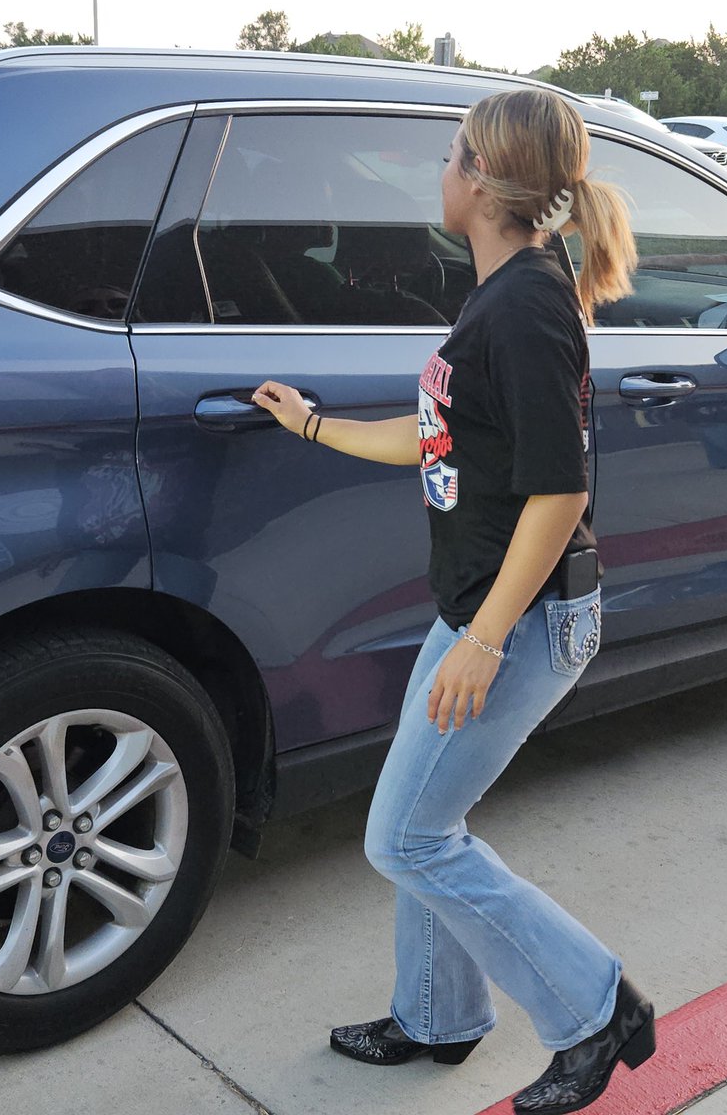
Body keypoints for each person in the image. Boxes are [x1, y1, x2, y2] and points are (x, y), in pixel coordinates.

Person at [251, 88, 655, 1115]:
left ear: (480, 180)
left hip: (519, 619)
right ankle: (438, 1015)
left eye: (449, 157)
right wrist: (312, 426)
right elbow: (438, 437)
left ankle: (595, 1010)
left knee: (407, 837)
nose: (439, 174)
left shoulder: (523, 308)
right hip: (480, 607)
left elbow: (560, 493)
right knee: (430, 821)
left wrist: (483, 638)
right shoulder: (502, 293)